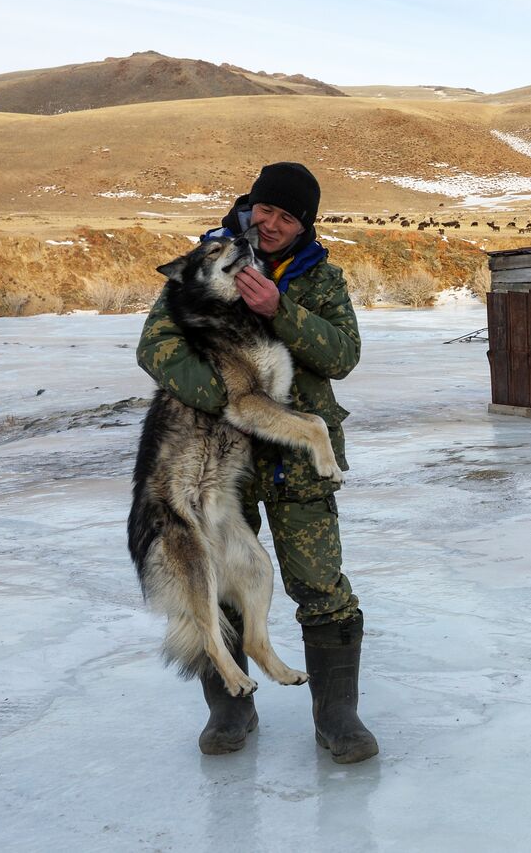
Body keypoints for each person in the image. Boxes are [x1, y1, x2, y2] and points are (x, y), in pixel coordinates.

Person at [136, 162, 378, 763]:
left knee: (321, 587)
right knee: (217, 582)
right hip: (217, 460)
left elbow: (342, 355)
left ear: (304, 225)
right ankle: (230, 710)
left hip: (298, 463)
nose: (270, 224)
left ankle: (337, 716)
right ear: (250, 207)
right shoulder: (203, 266)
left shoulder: (321, 278)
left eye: (287, 217)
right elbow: (156, 347)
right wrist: (226, 400)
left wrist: (281, 311)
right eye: (265, 210)